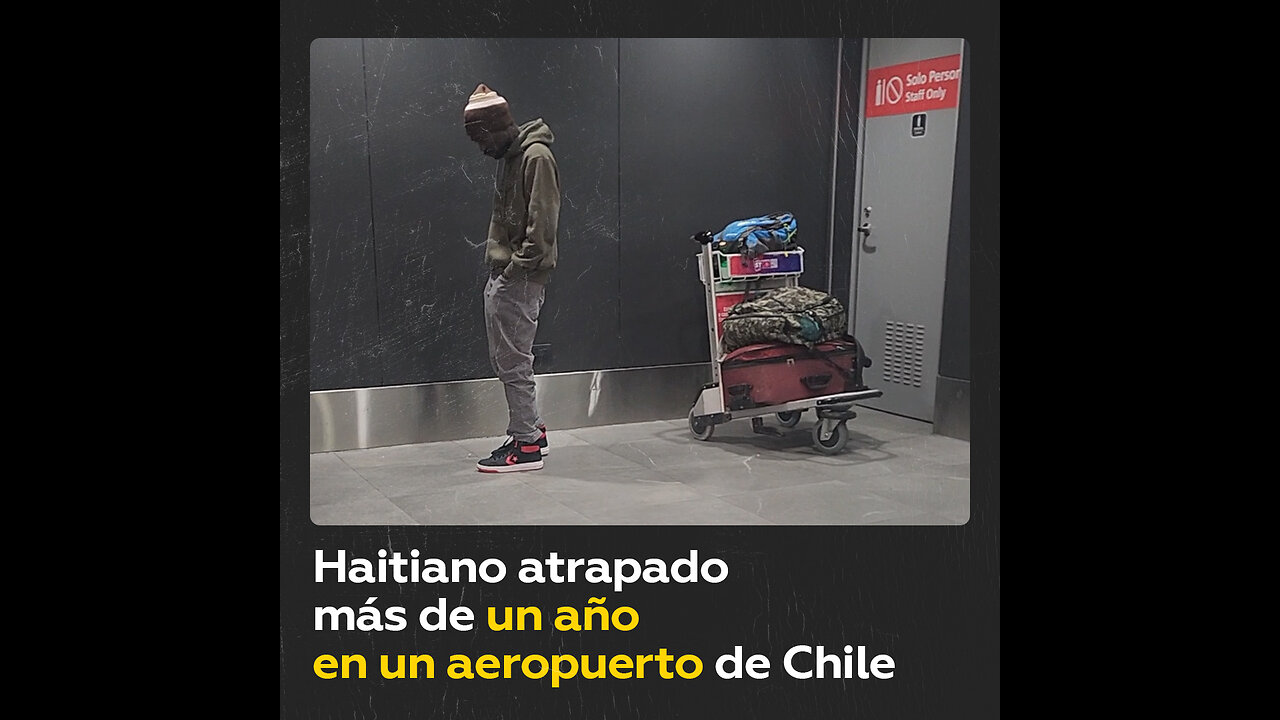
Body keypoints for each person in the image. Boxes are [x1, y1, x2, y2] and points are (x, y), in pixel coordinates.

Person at [463, 83, 560, 473]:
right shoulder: (511, 157)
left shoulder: (536, 157)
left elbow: (542, 226)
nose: (482, 148)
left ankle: (527, 447)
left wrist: (515, 269)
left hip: (520, 276)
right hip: (508, 273)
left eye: (483, 138)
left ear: (498, 128)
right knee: (509, 359)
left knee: (513, 362)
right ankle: (531, 429)